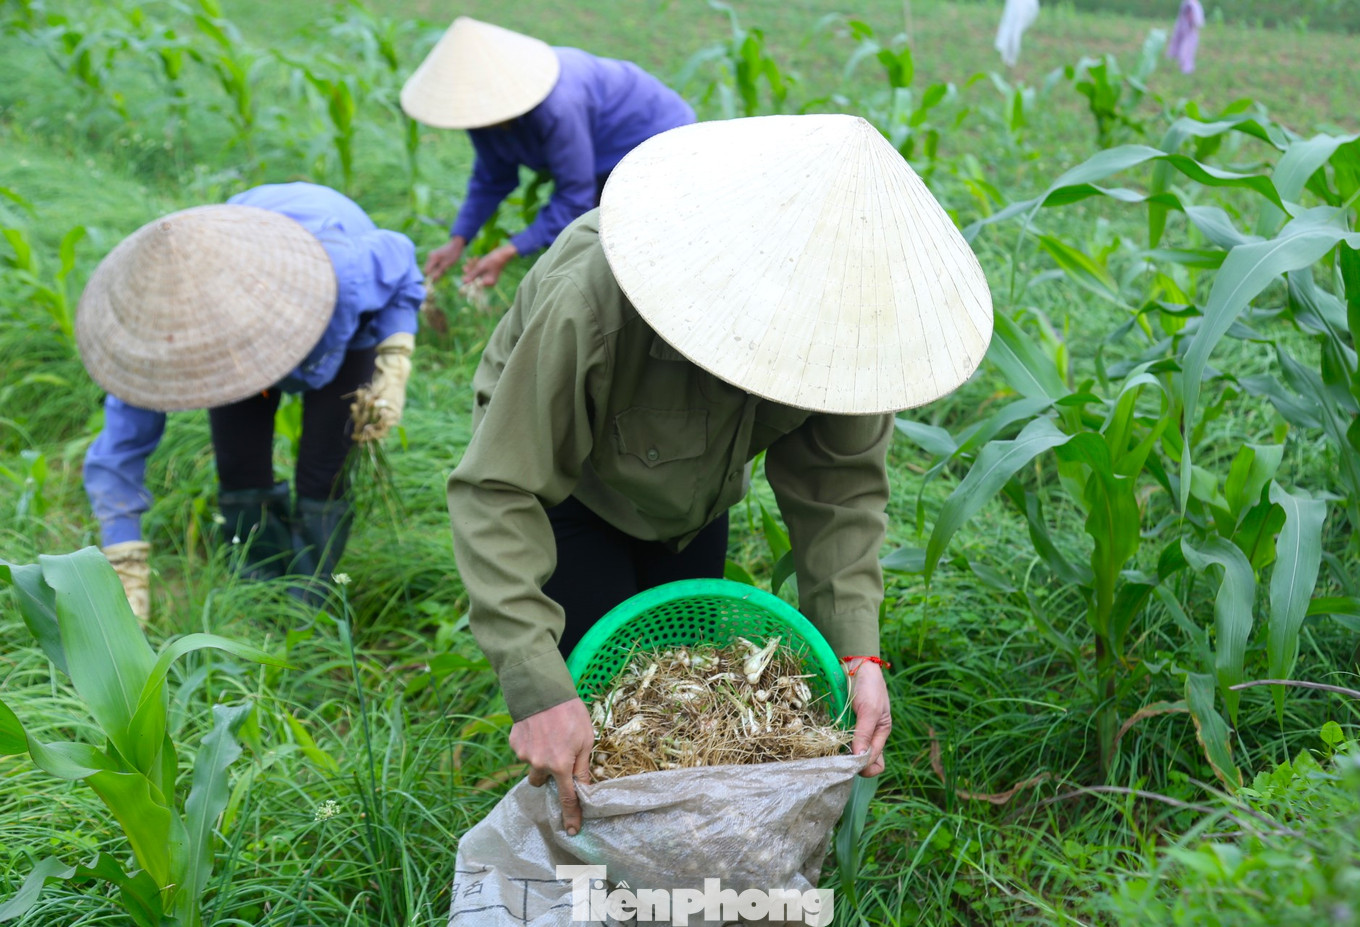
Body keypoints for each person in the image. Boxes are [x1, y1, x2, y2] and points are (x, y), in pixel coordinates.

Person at [446, 114, 995, 835]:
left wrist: (858, 649)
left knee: (675, 699)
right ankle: (600, 872)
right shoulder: (594, 299)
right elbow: (501, 486)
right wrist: (536, 685)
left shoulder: (855, 334)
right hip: (567, 486)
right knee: (597, 720)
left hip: (694, 499)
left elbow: (840, 491)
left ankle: (689, 875)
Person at [78, 182, 426, 619]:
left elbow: (402, 265)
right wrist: (124, 559)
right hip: (231, 299)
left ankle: (308, 604)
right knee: (241, 466)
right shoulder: (153, 341)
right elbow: (118, 452)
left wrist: (395, 363)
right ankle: (257, 593)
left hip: (333, 314)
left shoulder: (342, 268)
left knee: (325, 470)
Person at [399, 17, 696, 287]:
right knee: (593, 238)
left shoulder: (557, 107)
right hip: (598, 149)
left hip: (655, 137)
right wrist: (458, 239)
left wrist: (510, 250)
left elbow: (573, 196)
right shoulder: (480, 117)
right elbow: (492, 177)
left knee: (624, 241)